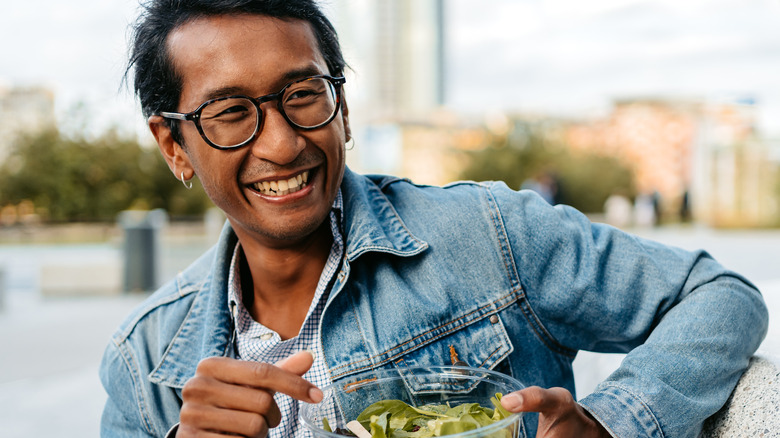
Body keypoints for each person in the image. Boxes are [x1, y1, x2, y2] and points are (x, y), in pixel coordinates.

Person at [99, 1, 768, 437]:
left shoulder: (485, 234)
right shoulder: (145, 361)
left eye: (304, 95)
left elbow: (718, 297)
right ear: (173, 147)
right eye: (230, 114)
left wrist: (612, 422)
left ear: (344, 110)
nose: (281, 143)